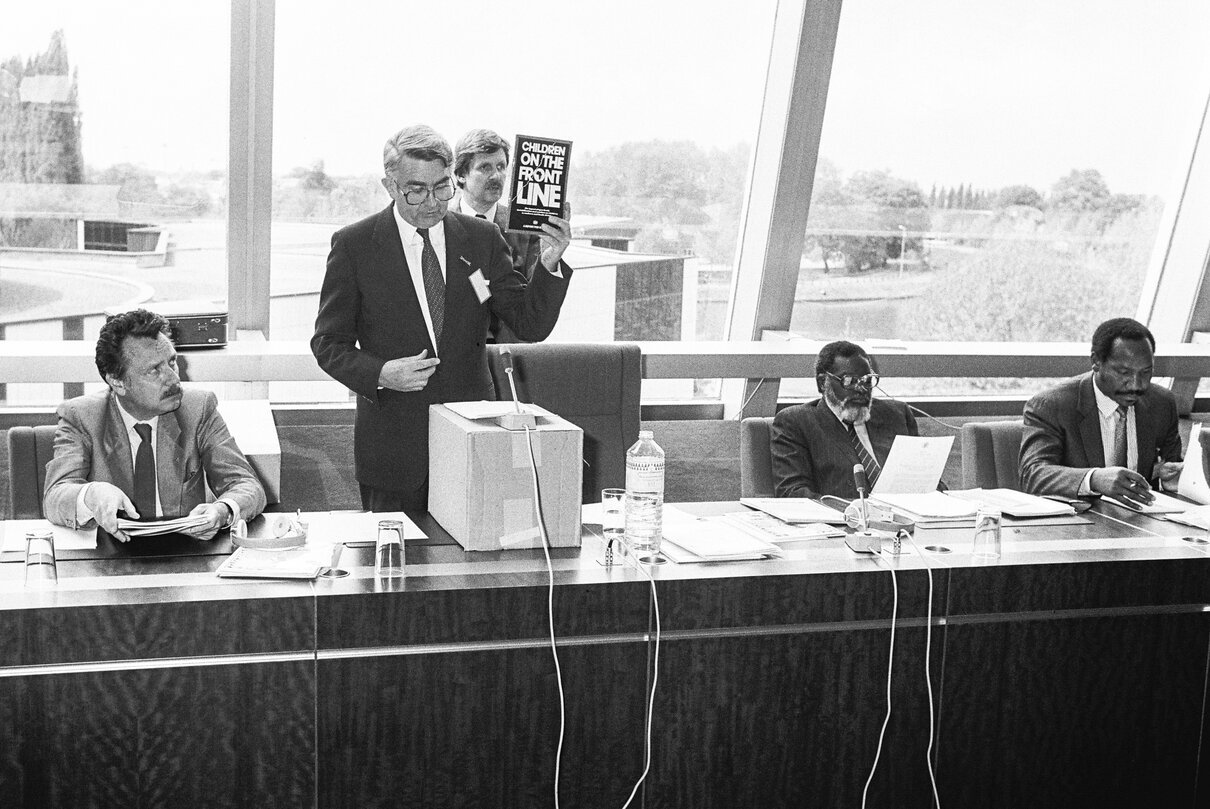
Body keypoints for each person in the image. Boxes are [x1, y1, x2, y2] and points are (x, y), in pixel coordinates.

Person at [311, 124, 573, 512]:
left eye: (442, 187)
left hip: (473, 440)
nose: (433, 202)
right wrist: (381, 373)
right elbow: (328, 344)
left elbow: (528, 323)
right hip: (394, 452)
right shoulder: (355, 245)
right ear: (389, 185)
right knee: (394, 570)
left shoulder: (481, 239)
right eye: (416, 190)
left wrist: (548, 263)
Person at [43, 309, 266, 542]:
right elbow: (55, 496)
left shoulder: (198, 408)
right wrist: (90, 494)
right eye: (154, 370)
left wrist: (223, 511)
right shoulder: (81, 416)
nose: (173, 379)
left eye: (172, 362)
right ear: (117, 382)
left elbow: (246, 485)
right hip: (108, 557)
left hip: (184, 555)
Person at [1019, 317, 1182, 506]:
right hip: (1079, 526)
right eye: (1124, 373)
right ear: (1096, 361)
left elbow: (1170, 470)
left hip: (1140, 522)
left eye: (1146, 372)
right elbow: (1032, 475)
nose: (1137, 385)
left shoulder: (1162, 403)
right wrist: (1094, 479)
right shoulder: (1051, 405)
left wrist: (1169, 480)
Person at [771, 340, 919, 499]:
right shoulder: (796, 422)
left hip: (904, 517)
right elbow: (792, 493)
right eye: (849, 381)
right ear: (823, 383)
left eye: (867, 380)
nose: (861, 389)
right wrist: (852, 511)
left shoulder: (896, 414)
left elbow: (928, 479)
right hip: (844, 519)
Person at [451, 128, 544, 343]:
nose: (496, 176)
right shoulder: (438, 224)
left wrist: (552, 256)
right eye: (485, 167)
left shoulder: (524, 228)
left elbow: (534, 306)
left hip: (509, 358)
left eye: (501, 167)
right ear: (460, 175)